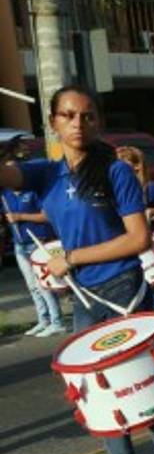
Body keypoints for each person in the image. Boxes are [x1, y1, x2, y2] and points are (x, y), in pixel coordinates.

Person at [0, 85, 154, 454]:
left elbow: (137, 239)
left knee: (149, 396)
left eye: (87, 116)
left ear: (98, 122)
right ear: (53, 122)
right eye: (68, 115)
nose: (77, 123)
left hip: (125, 292)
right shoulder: (45, 174)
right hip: (85, 301)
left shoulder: (115, 172)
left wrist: (71, 258)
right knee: (102, 398)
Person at [1, 131, 66, 337]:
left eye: (14, 171)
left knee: (44, 284)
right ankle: (43, 319)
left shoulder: (33, 191)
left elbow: (47, 216)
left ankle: (57, 321)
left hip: (38, 242)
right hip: (20, 245)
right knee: (32, 286)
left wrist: (20, 216)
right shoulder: (5, 194)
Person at [115, 146, 154, 328]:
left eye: (123, 165)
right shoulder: (118, 190)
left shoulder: (149, 187)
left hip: (149, 242)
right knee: (134, 288)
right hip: (126, 243)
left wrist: (150, 211)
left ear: (136, 166)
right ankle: (147, 327)